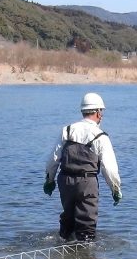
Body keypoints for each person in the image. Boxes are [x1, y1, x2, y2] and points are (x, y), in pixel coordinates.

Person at [43, 92, 122, 242]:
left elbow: (53, 159)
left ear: (83, 111)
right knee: (86, 227)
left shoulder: (67, 130)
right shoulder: (101, 136)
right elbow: (109, 169)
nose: (102, 115)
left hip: (65, 181)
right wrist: (115, 189)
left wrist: (49, 179)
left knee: (68, 220)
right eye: (102, 112)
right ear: (98, 113)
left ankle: (63, 252)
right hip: (87, 184)